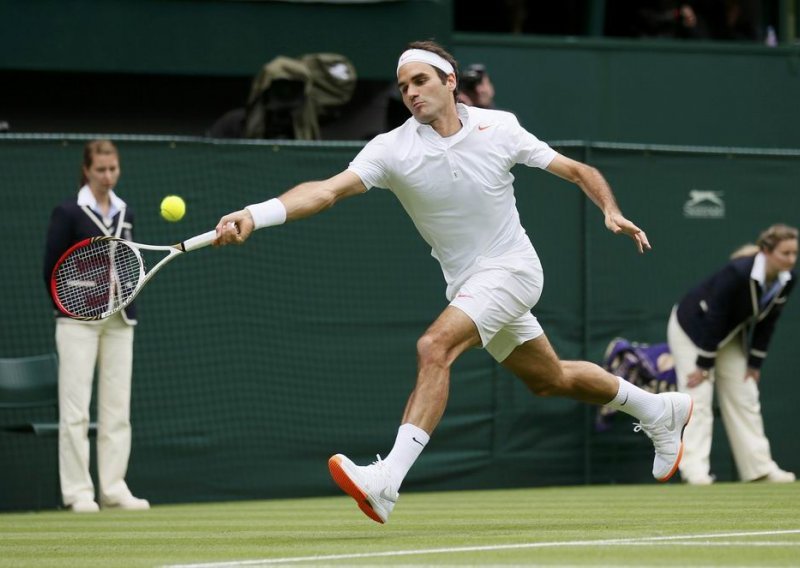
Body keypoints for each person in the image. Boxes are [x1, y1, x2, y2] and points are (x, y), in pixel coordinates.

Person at [213, 40, 693, 524]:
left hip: (514, 270)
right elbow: (326, 191)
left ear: (449, 82)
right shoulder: (392, 148)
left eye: (421, 81)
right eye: (404, 87)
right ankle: (658, 409)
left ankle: (387, 481)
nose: (411, 93)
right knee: (551, 379)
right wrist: (256, 214)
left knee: (434, 347)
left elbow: (577, 169)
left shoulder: (499, 127)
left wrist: (610, 210)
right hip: (469, 282)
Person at [43, 140, 150, 512]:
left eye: (113, 169)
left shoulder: (127, 212)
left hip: (121, 318)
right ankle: (77, 493)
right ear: (87, 170)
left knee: (117, 410)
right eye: (101, 169)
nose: (108, 176)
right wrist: (73, 306)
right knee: (75, 411)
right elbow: (51, 269)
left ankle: (114, 488)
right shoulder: (68, 212)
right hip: (77, 321)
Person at [667, 224, 797, 485]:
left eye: (795, 254)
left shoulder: (788, 278)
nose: (791, 260)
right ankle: (694, 471)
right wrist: (704, 364)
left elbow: (768, 321)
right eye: (786, 253)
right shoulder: (738, 272)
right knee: (698, 399)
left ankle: (759, 469)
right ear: (766, 251)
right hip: (693, 329)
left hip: (729, 334)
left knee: (745, 394)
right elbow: (715, 316)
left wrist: (755, 363)